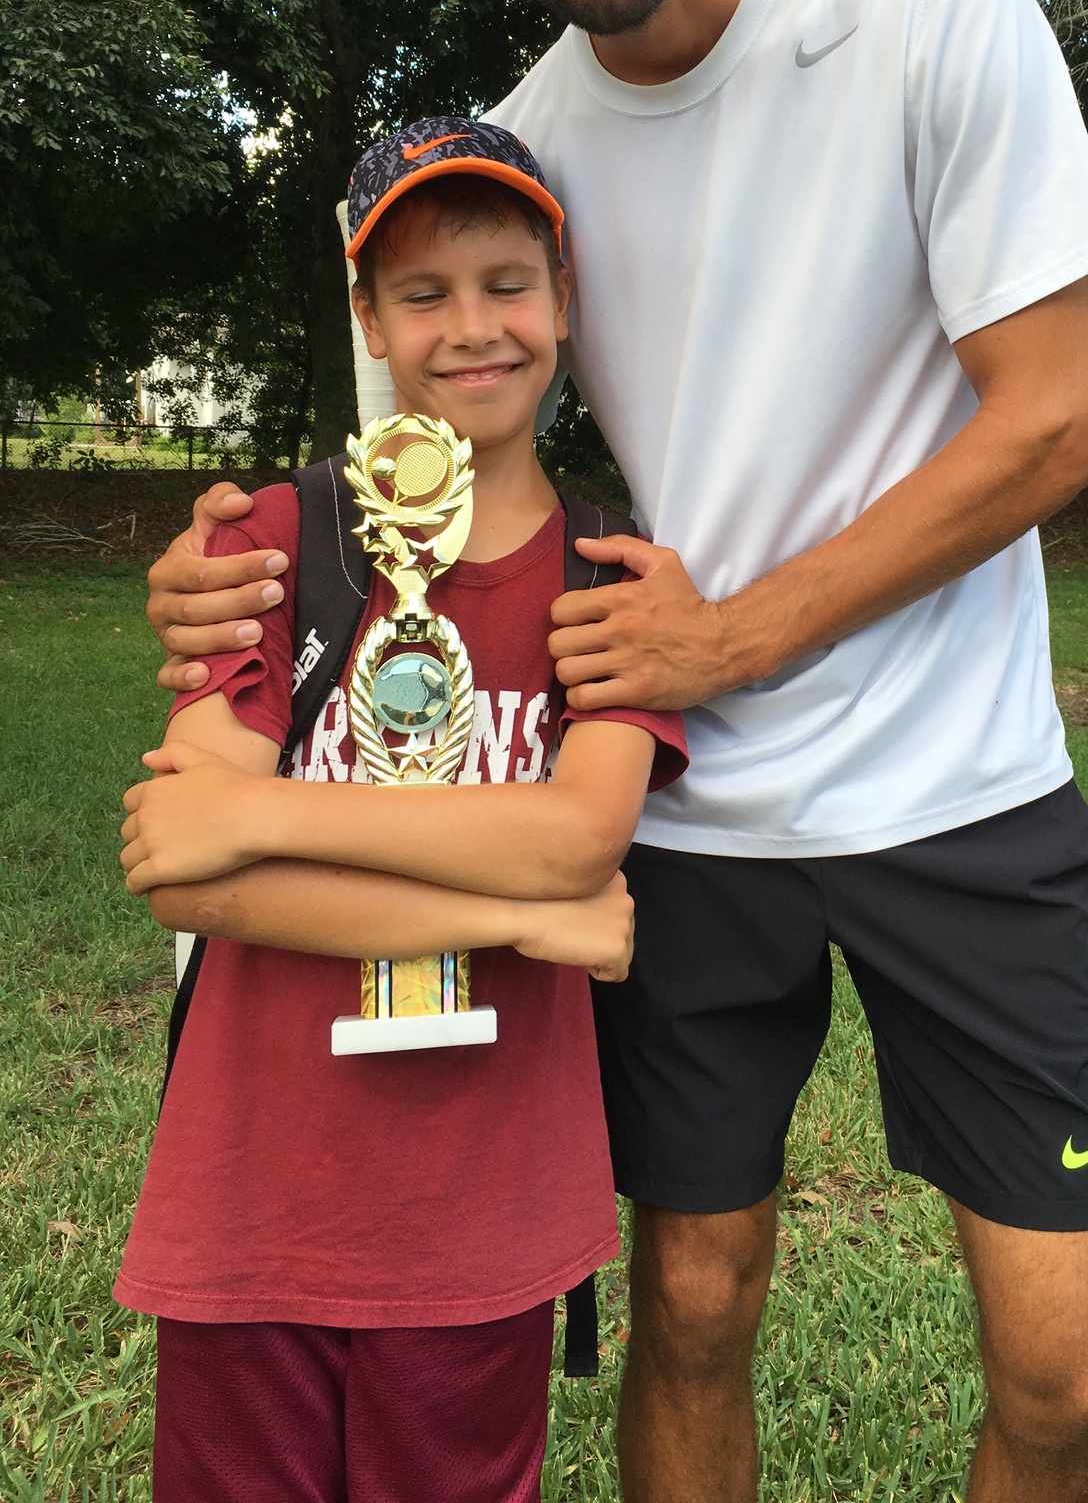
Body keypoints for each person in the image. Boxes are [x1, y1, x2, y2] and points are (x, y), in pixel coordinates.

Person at [147, 0, 1088, 1503]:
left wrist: (735, 639)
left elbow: (1055, 420)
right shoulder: (513, 163)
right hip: (676, 825)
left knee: (1073, 1377)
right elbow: (400, 519)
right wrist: (221, 572)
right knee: (692, 1307)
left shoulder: (929, 4)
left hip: (965, 794)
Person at [118, 120, 687, 1501]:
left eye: (506, 282)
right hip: (254, 1198)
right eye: (422, 293)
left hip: (483, 1213)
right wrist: (522, 911)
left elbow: (578, 839)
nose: (471, 328)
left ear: (563, 300)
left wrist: (271, 817)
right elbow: (185, 863)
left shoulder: (615, 579)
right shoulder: (266, 540)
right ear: (367, 314)